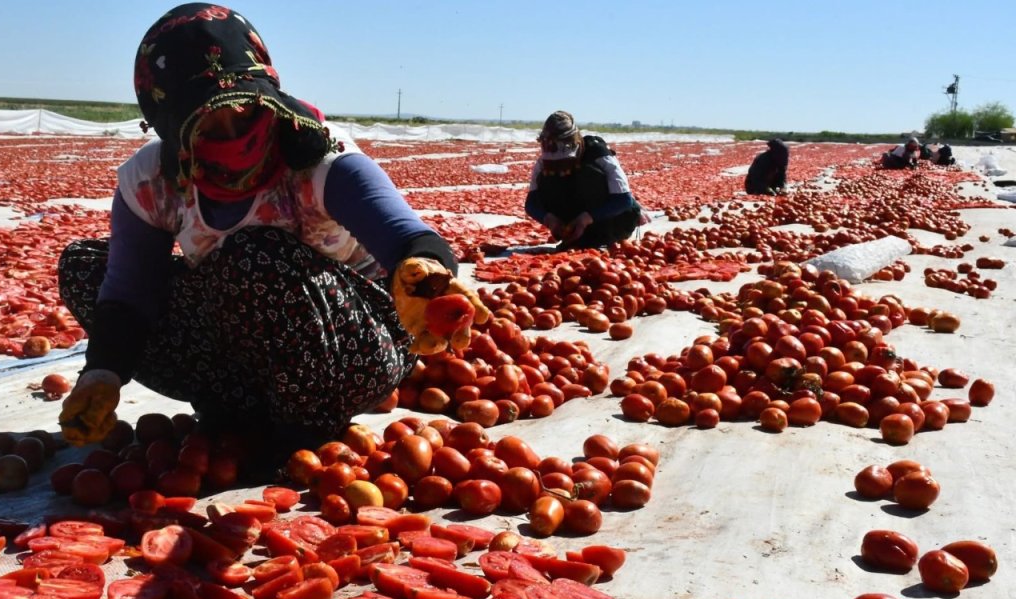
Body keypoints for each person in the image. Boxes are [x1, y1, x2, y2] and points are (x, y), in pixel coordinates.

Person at [55, 3, 488, 470]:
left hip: (350, 352)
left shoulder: (322, 158)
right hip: (236, 355)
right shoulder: (150, 181)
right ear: (170, 126)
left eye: (243, 114)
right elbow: (129, 291)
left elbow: (406, 236)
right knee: (85, 266)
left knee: (254, 257)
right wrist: (103, 371)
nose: (231, 136)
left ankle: (301, 432)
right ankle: (238, 411)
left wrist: (427, 280)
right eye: (206, 123)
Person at [524, 111, 642, 249]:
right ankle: (575, 235)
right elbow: (531, 204)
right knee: (546, 179)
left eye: (564, 161)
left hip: (608, 222)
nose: (561, 168)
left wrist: (587, 218)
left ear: (576, 143)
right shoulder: (543, 163)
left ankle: (595, 235)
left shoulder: (598, 153)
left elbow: (623, 200)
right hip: (571, 220)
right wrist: (548, 219)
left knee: (589, 174)